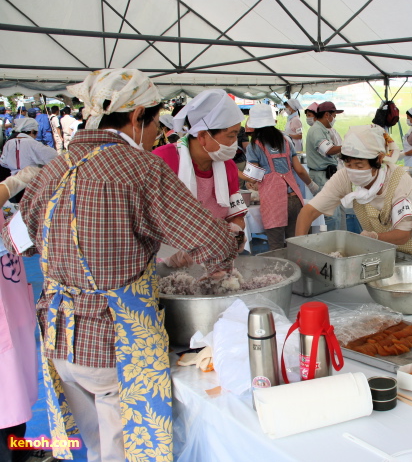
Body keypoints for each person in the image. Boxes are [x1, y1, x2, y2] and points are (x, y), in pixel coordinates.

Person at [1, 68, 242, 461]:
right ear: (135, 117)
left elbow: (16, 240)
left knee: (97, 447)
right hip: (115, 342)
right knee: (123, 451)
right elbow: (214, 241)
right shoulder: (139, 167)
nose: (153, 135)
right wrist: (222, 249)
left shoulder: (55, 167)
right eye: (153, 122)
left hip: (60, 338)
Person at [296, 125, 412, 263]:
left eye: (359, 165)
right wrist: (299, 251)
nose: (353, 171)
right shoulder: (344, 177)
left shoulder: (399, 181)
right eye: (348, 164)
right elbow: (308, 212)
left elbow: (404, 233)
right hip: (384, 250)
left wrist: (374, 236)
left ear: (378, 159)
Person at [153, 89, 248, 265]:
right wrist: (167, 253)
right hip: (167, 265)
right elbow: (146, 218)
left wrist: (235, 232)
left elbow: (236, 215)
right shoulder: (163, 160)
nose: (235, 142)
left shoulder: (227, 165)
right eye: (231, 135)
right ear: (203, 136)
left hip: (214, 262)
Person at [0, 166, 46, 462]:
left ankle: (18, 450)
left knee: (16, 390)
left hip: (12, 307)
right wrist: (11, 185)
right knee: (6, 395)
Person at [244, 104, 318, 250]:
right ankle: (300, 270)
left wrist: (246, 181)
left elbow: (252, 177)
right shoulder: (286, 140)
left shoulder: (253, 146)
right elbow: (300, 170)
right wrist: (311, 185)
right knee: (297, 244)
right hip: (294, 198)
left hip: (273, 202)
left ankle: (282, 272)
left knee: (276, 246)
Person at [306, 101, 345, 230]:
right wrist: (349, 146)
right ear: (327, 115)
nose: (334, 119)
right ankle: (329, 245)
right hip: (322, 175)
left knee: (335, 212)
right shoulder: (317, 130)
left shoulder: (324, 130)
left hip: (328, 174)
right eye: (334, 115)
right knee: (330, 214)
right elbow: (328, 150)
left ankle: (335, 241)